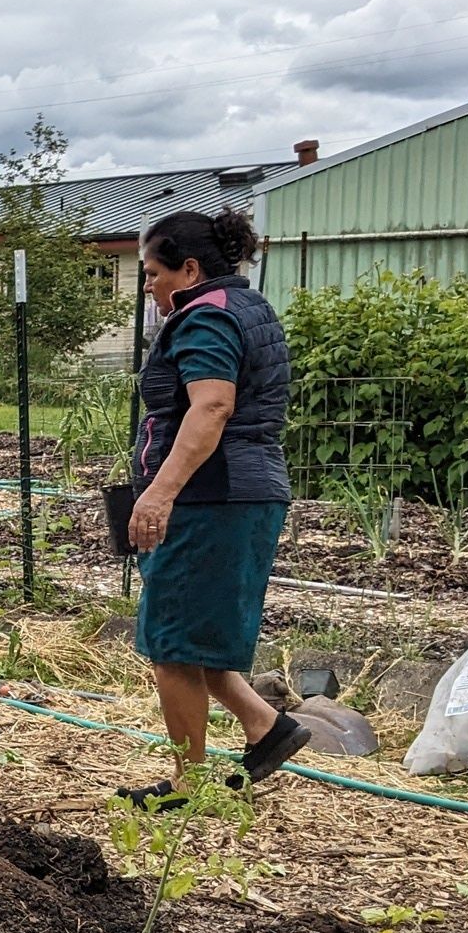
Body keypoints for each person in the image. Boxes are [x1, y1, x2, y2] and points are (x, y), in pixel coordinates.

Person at [120, 208, 308, 805]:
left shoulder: (206, 318)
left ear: (191, 268)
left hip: (212, 495)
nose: (148, 285)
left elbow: (211, 408)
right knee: (194, 633)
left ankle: (188, 785)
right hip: (239, 491)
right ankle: (267, 728)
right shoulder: (244, 308)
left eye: (153, 272)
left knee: (172, 644)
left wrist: (160, 490)